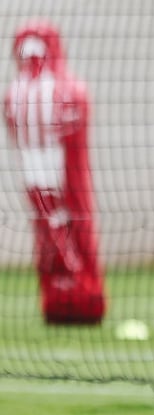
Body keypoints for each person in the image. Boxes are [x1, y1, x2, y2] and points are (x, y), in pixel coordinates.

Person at [3, 20, 106, 324]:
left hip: (50, 170)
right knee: (53, 227)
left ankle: (75, 289)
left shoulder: (49, 90)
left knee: (58, 225)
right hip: (42, 170)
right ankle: (70, 288)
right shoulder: (38, 91)